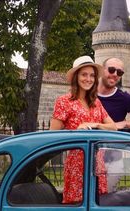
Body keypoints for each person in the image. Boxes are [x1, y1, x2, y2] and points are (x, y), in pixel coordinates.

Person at [50, 55, 117, 204]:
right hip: (76, 166)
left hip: (98, 164)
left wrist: (96, 124)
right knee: (77, 205)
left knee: (98, 204)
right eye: (84, 74)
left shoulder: (96, 102)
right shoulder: (64, 101)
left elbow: (113, 128)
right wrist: (76, 131)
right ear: (76, 77)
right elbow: (52, 136)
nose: (89, 79)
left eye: (92, 75)